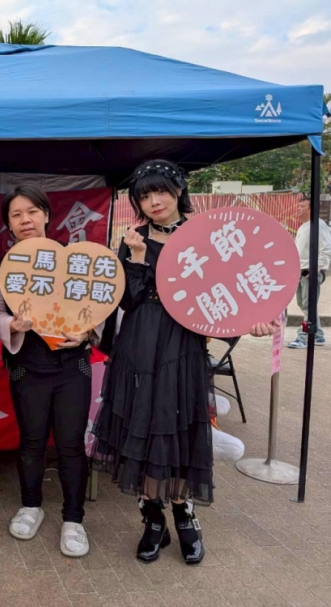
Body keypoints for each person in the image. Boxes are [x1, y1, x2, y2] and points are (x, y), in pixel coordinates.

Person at [92, 160, 278, 565]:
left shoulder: (207, 235)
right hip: (139, 345)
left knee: (175, 426)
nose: (154, 201)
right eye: (144, 195)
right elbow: (128, 300)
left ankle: (185, 515)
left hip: (183, 345)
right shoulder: (132, 238)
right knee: (140, 426)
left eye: (160, 191)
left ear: (178, 190)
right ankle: (152, 517)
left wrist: (255, 321)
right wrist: (137, 258)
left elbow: (232, 289)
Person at [0, 185, 94, 558]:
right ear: (8, 225)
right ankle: (31, 506)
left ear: (47, 215)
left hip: (72, 367)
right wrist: (10, 326)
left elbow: (97, 307)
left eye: (31, 211)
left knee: (70, 445)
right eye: (16, 215)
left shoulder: (73, 259)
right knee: (31, 442)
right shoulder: (1, 268)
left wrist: (86, 332)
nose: (25, 220)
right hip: (26, 368)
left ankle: (74, 519)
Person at [288, 196, 331, 348]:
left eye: (302, 206)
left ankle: (303, 337)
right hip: (301, 270)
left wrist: (316, 269)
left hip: (310, 271)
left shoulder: (318, 225)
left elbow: (326, 249)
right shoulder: (303, 226)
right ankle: (318, 335)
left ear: (311, 209)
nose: (298, 208)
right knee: (304, 304)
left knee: (308, 305)